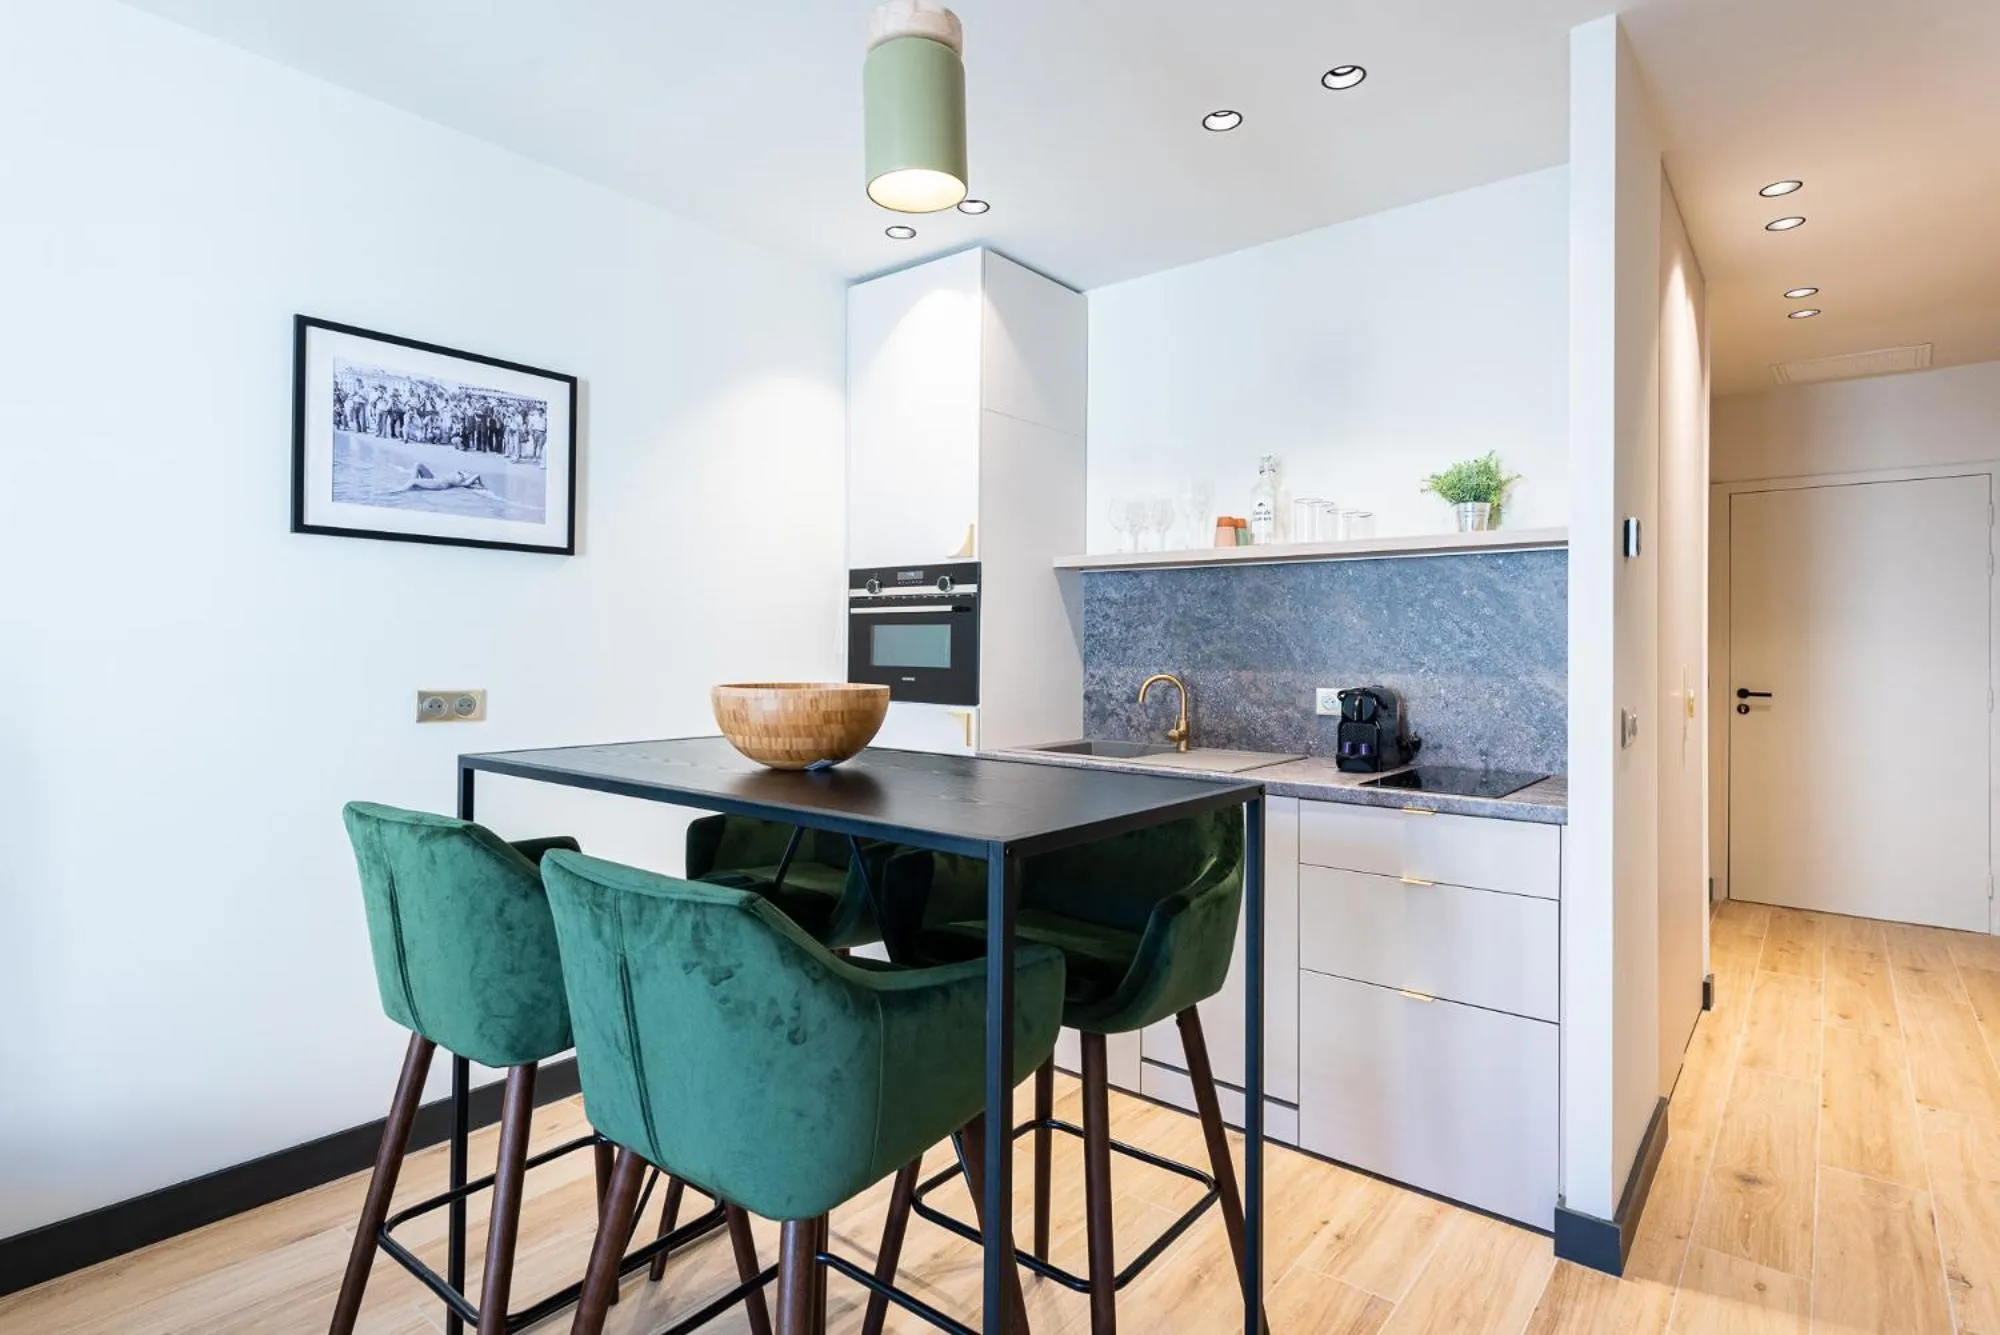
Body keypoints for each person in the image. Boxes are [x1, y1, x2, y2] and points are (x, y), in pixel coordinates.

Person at [400, 462, 487, 492]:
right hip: (435, 478)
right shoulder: (461, 473)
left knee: (414, 482)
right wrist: (477, 482)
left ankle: (400, 490)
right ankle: (409, 485)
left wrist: (481, 484)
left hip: (440, 484)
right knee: (417, 464)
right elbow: (474, 476)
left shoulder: (464, 483)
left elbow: (477, 475)